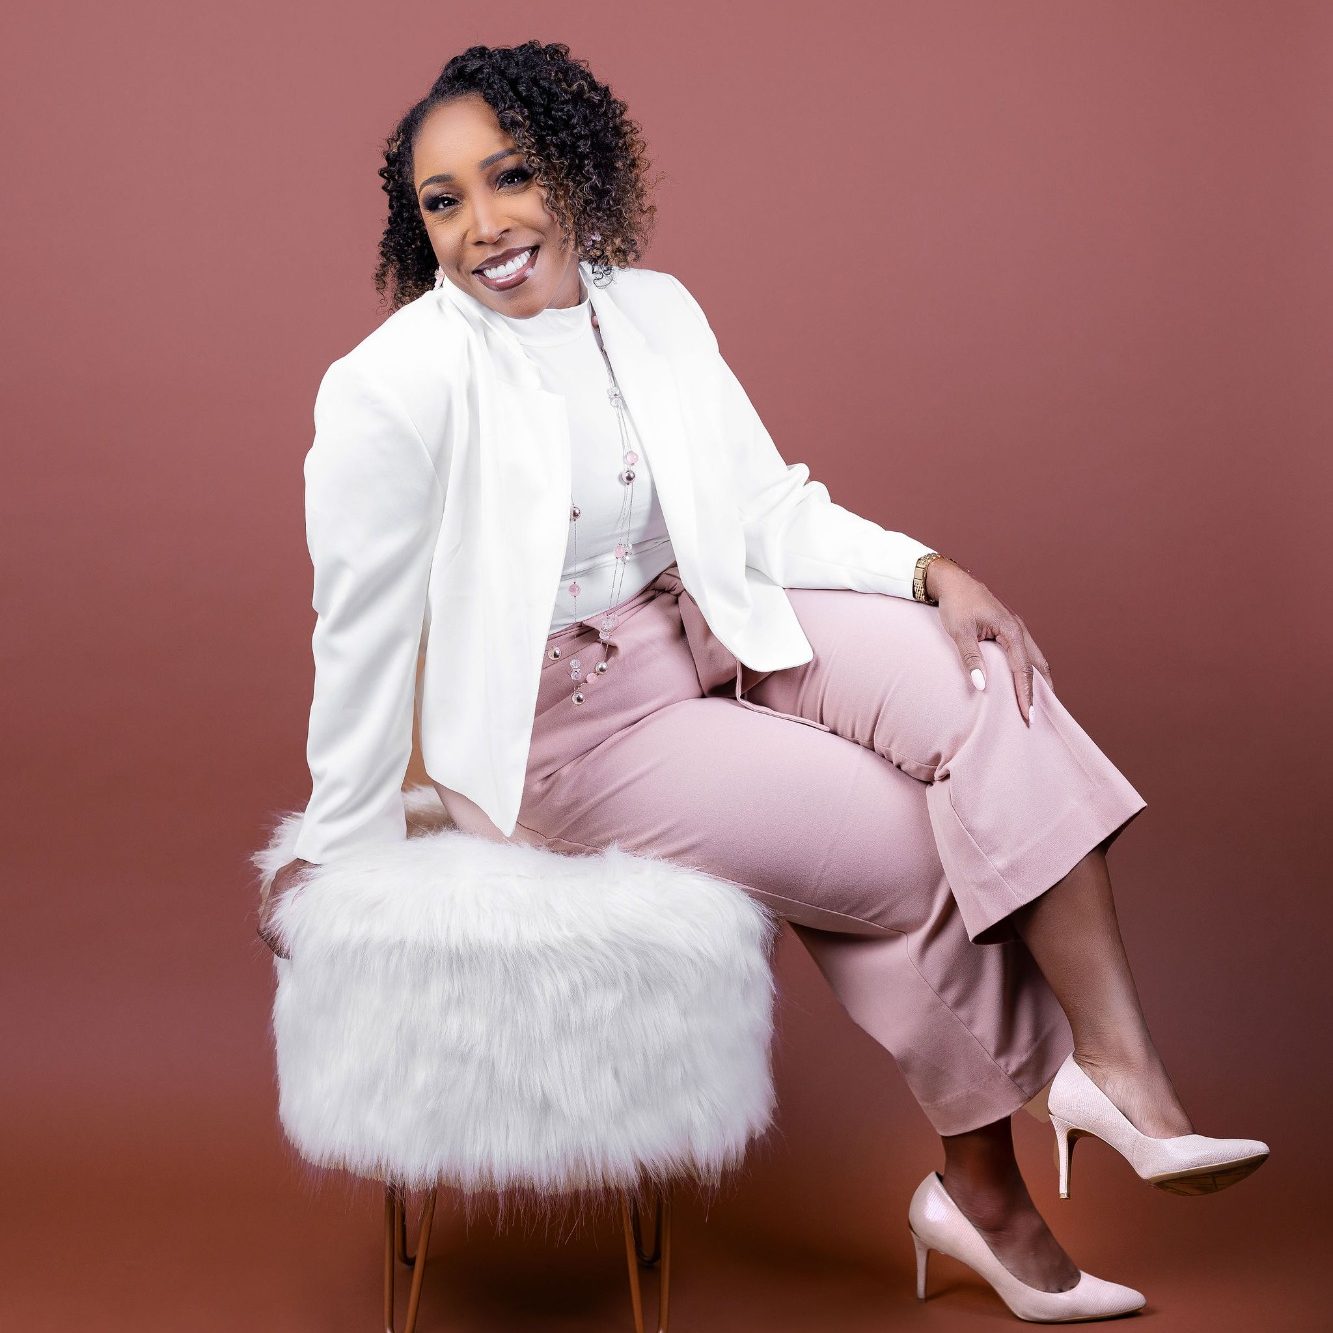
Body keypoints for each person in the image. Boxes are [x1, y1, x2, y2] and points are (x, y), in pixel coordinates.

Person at [257, 40, 1268, 1322]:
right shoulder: (390, 387)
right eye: (441, 202)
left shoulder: (654, 308)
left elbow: (760, 507)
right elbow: (356, 635)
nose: (481, 227)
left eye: (507, 178)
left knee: (987, 682)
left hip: (712, 620)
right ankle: (987, 1199)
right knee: (910, 850)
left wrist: (927, 570)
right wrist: (336, 850)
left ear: (572, 170)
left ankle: (1119, 1071)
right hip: (567, 736)